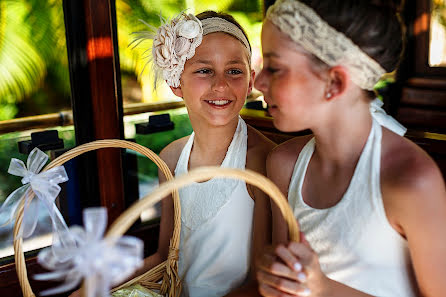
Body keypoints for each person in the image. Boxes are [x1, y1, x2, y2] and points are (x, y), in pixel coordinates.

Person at [254, 0, 446, 296]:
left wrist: (324, 289)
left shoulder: (410, 181)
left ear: (335, 81)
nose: (258, 81)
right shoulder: (283, 164)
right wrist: (276, 279)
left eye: (275, 68)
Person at [138, 10, 275, 297]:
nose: (221, 84)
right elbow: (165, 257)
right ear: (176, 82)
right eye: (204, 70)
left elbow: (261, 281)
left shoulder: (262, 162)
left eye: (234, 71)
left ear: (250, 82)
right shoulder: (171, 159)